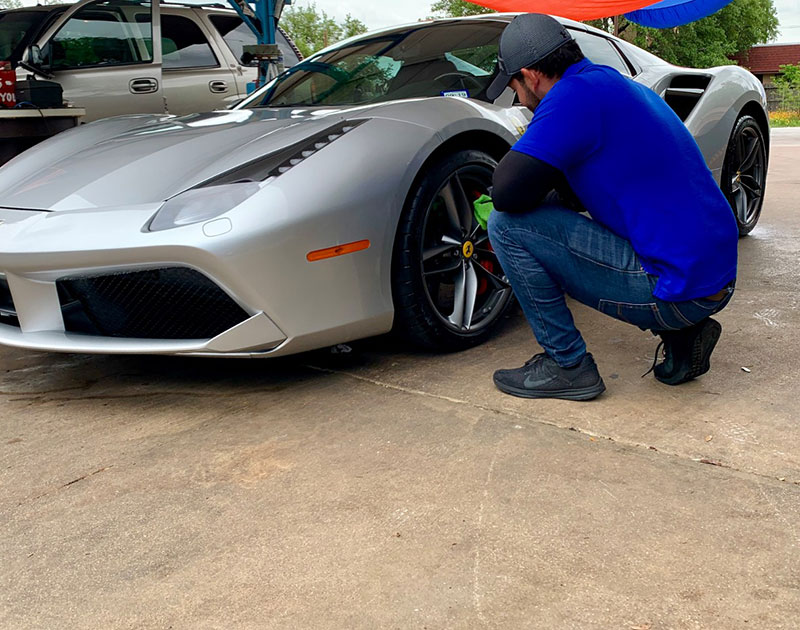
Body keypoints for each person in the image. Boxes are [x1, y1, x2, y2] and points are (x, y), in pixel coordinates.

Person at [482, 13, 738, 401]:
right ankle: (684, 334)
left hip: (677, 287)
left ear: (531, 76)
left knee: (506, 225)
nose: (517, 98)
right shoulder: (613, 84)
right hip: (714, 279)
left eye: (514, 87)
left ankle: (567, 365)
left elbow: (506, 192)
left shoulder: (570, 98)